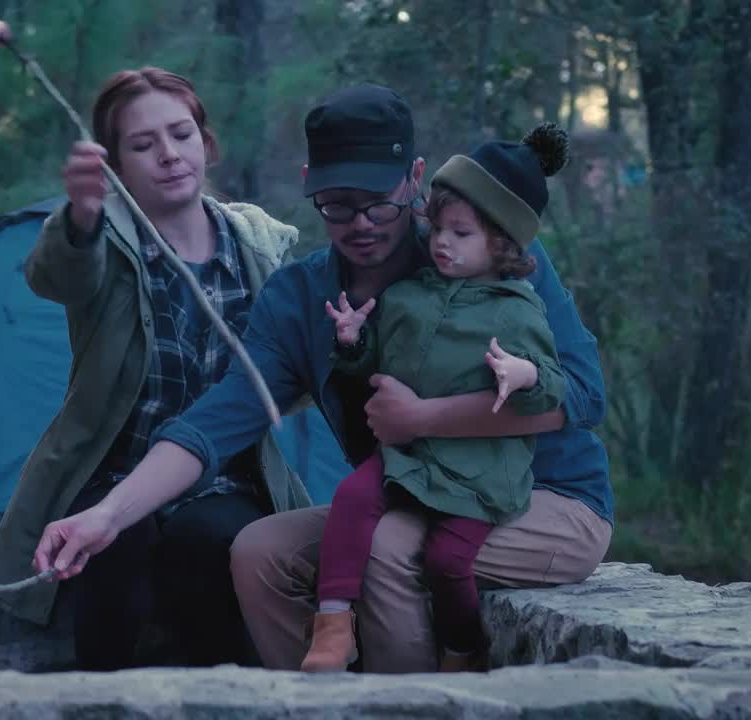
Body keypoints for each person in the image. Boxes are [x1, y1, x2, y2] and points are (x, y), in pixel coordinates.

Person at [31, 84, 613, 674]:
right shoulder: (303, 299)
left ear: (414, 179)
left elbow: (586, 396)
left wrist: (423, 418)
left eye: (378, 202)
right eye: (337, 203)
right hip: (412, 498)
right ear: (311, 185)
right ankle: (319, 702)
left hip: (544, 499)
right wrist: (110, 512)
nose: (360, 223)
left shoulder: (493, 254)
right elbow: (215, 423)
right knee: (259, 551)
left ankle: (405, 706)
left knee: (387, 550)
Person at [0, 66, 313, 671]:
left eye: (181, 134)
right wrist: (81, 216)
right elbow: (57, 275)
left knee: (209, 541)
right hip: (111, 470)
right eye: (142, 145)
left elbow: (284, 377)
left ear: (205, 143)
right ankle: (101, 700)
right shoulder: (106, 238)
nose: (168, 154)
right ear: (115, 165)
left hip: (227, 478)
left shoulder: (257, 243)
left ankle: (216, 699)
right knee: (115, 545)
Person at [300, 125, 570, 673]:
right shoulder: (405, 296)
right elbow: (370, 365)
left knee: (448, 560)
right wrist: (351, 342)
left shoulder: (517, 310)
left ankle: (463, 647)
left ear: (501, 243)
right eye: (439, 228)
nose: (442, 242)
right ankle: (332, 628)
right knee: (352, 497)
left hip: (479, 472)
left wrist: (522, 373)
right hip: (410, 460)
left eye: (462, 233)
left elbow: (552, 383)